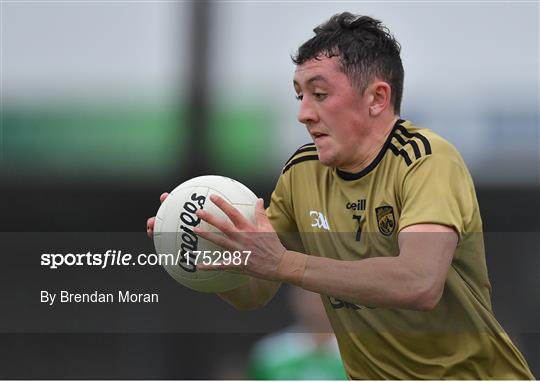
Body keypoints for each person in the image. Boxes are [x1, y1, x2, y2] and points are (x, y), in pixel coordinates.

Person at [147, 12, 534, 379]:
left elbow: (419, 283)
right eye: (299, 95)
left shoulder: (426, 160)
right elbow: (256, 290)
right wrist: (206, 256)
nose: (303, 113)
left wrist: (283, 262)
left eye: (319, 94)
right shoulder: (301, 172)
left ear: (377, 99)